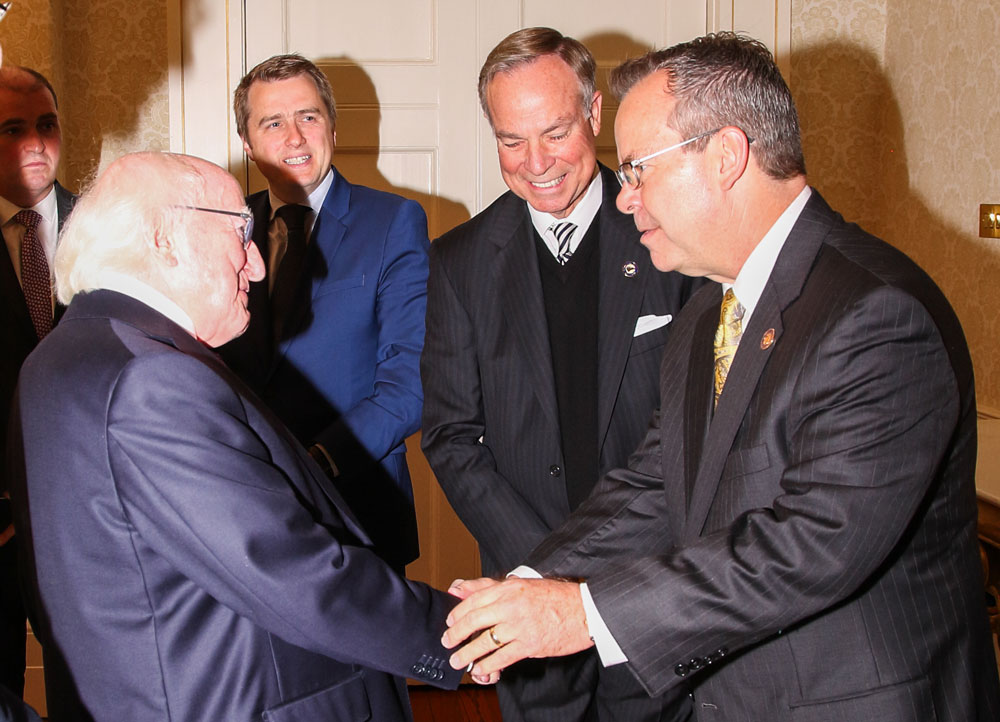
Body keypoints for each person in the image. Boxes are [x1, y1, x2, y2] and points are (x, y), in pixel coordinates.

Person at [441, 33, 1000, 721]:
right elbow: (652, 484)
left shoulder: (877, 315)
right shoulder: (711, 304)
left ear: (728, 156)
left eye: (640, 169)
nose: (623, 197)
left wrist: (583, 613)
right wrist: (532, 582)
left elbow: (809, 546)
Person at [7, 151, 463, 722]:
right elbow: (288, 571)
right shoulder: (150, 377)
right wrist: (466, 633)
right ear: (164, 241)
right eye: (241, 234)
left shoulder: (60, 355)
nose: (258, 266)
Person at [421, 27, 700, 722]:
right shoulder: (459, 263)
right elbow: (452, 435)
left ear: (595, 115)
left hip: (652, 582)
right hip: (525, 578)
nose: (535, 162)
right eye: (510, 140)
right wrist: (544, 565)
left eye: (555, 132)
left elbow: (698, 423)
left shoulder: (674, 237)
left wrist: (605, 560)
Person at [220, 54, 428, 571]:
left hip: (356, 513)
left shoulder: (394, 222)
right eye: (273, 123)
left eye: (308, 117)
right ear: (247, 143)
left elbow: (410, 382)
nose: (295, 137)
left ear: (332, 125)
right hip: (244, 517)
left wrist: (317, 461)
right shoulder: (223, 228)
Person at [0, 65, 74, 702]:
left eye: (45, 124)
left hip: (91, 515)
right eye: (11, 128)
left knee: (93, 691)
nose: (33, 143)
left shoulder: (111, 225)